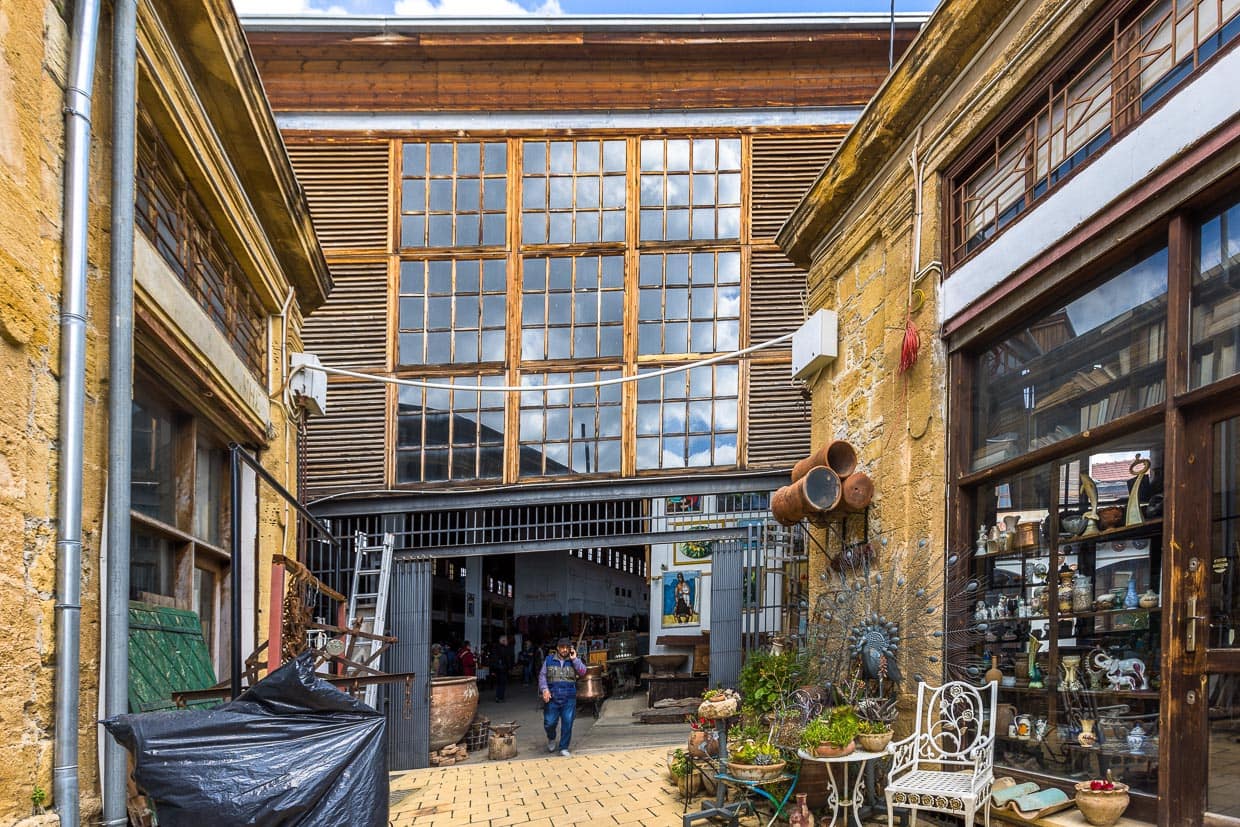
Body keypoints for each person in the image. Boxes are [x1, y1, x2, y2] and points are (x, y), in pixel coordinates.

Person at [538, 637, 587, 757]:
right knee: (549, 722)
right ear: (557, 648)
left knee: (567, 722)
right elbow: (542, 676)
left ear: (570, 648)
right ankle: (551, 737)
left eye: (567, 647)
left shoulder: (574, 660)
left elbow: (583, 672)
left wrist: (575, 659)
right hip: (552, 697)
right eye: (562, 647)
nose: (564, 650)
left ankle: (564, 747)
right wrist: (544, 690)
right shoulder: (549, 660)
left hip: (569, 697)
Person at [490, 635, 513, 702]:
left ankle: (498, 696)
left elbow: (493, 659)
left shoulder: (495, 648)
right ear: (503, 641)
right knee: (502, 683)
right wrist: (509, 667)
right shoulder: (503, 648)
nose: (507, 641)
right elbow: (507, 658)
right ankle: (500, 697)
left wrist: (493, 669)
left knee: (499, 683)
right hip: (502, 668)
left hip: (498, 668)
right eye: (506, 640)